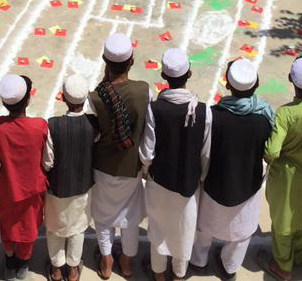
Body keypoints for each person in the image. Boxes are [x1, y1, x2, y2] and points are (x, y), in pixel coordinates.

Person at [192, 58, 273, 280]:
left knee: (204, 227)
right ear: (256, 85)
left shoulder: (212, 115)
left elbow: (205, 152)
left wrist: (202, 176)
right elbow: (269, 154)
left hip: (215, 183)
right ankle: (229, 266)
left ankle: (198, 261)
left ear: (227, 84)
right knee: (241, 233)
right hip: (248, 184)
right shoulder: (265, 119)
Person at [140, 48, 212, 281]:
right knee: (184, 231)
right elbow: (205, 153)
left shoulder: (155, 108)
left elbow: (147, 151)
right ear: (189, 74)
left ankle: (158, 274)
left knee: (159, 230)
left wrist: (146, 171)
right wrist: (199, 177)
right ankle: (179, 276)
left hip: (159, 181)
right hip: (188, 185)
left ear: (163, 76)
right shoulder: (202, 111)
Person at [89, 33, 149, 280]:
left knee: (103, 217)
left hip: (103, 166)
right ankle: (126, 263)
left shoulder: (95, 97)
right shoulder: (145, 91)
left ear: (105, 62)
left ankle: (106, 262)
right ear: (132, 61)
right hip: (131, 167)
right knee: (130, 217)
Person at [262, 56, 302, 281]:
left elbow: (272, 153)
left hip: (286, 178)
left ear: (291, 79)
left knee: (283, 223)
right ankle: (298, 257)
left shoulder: (285, 113)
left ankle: (283, 266)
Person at [0, 74, 49, 280]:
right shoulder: (39, 126)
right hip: (31, 191)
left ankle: (9, 261)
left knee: (7, 226)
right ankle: (23, 264)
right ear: (28, 100)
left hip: (5, 189)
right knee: (28, 228)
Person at [44, 75, 96, 281]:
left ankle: (57, 269)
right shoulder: (93, 124)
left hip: (57, 188)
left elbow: (48, 161)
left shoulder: (53, 125)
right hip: (83, 186)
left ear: (64, 99)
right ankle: (73, 269)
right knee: (78, 228)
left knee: (54, 229)